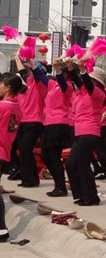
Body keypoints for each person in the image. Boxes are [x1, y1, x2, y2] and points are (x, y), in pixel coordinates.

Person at [64, 59, 105, 206]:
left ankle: (90, 197)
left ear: (96, 82)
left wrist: (83, 69)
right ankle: (83, 195)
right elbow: (77, 79)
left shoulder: (98, 93)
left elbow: (86, 82)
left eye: (90, 79)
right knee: (74, 165)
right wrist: (70, 67)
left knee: (79, 164)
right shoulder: (83, 92)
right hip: (80, 131)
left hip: (89, 131)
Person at [15, 53, 48, 188]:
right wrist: (17, 57)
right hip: (23, 122)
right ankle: (27, 179)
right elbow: (22, 71)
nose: (28, 72)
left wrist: (31, 61)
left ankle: (32, 179)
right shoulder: (29, 82)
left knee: (25, 150)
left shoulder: (41, 84)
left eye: (31, 70)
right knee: (23, 151)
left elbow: (35, 72)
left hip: (34, 122)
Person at [42, 57, 73, 197]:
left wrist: (57, 68)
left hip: (59, 123)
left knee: (54, 157)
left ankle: (61, 187)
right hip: (48, 123)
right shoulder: (52, 85)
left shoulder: (68, 86)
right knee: (45, 156)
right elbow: (39, 75)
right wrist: (28, 60)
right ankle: (59, 184)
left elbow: (61, 81)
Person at [0, 74, 25, 242]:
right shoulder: (17, 108)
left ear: (8, 88)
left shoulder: (2, 106)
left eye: (1, 84)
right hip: (5, 151)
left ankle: (2, 229)